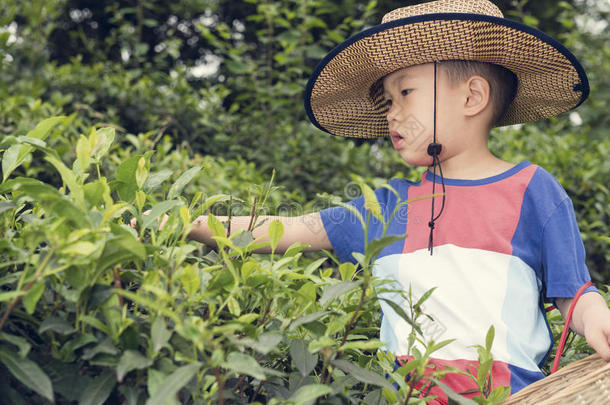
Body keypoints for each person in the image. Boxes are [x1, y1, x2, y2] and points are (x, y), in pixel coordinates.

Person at [167, 0, 610, 402]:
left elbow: (573, 293)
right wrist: (177, 223)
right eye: (387, 100)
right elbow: (287, 230)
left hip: (509, 398)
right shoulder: (389, 206)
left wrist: (596, 321)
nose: (391, 113)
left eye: (406, 93)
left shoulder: (532, 190)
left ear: (472, 97)